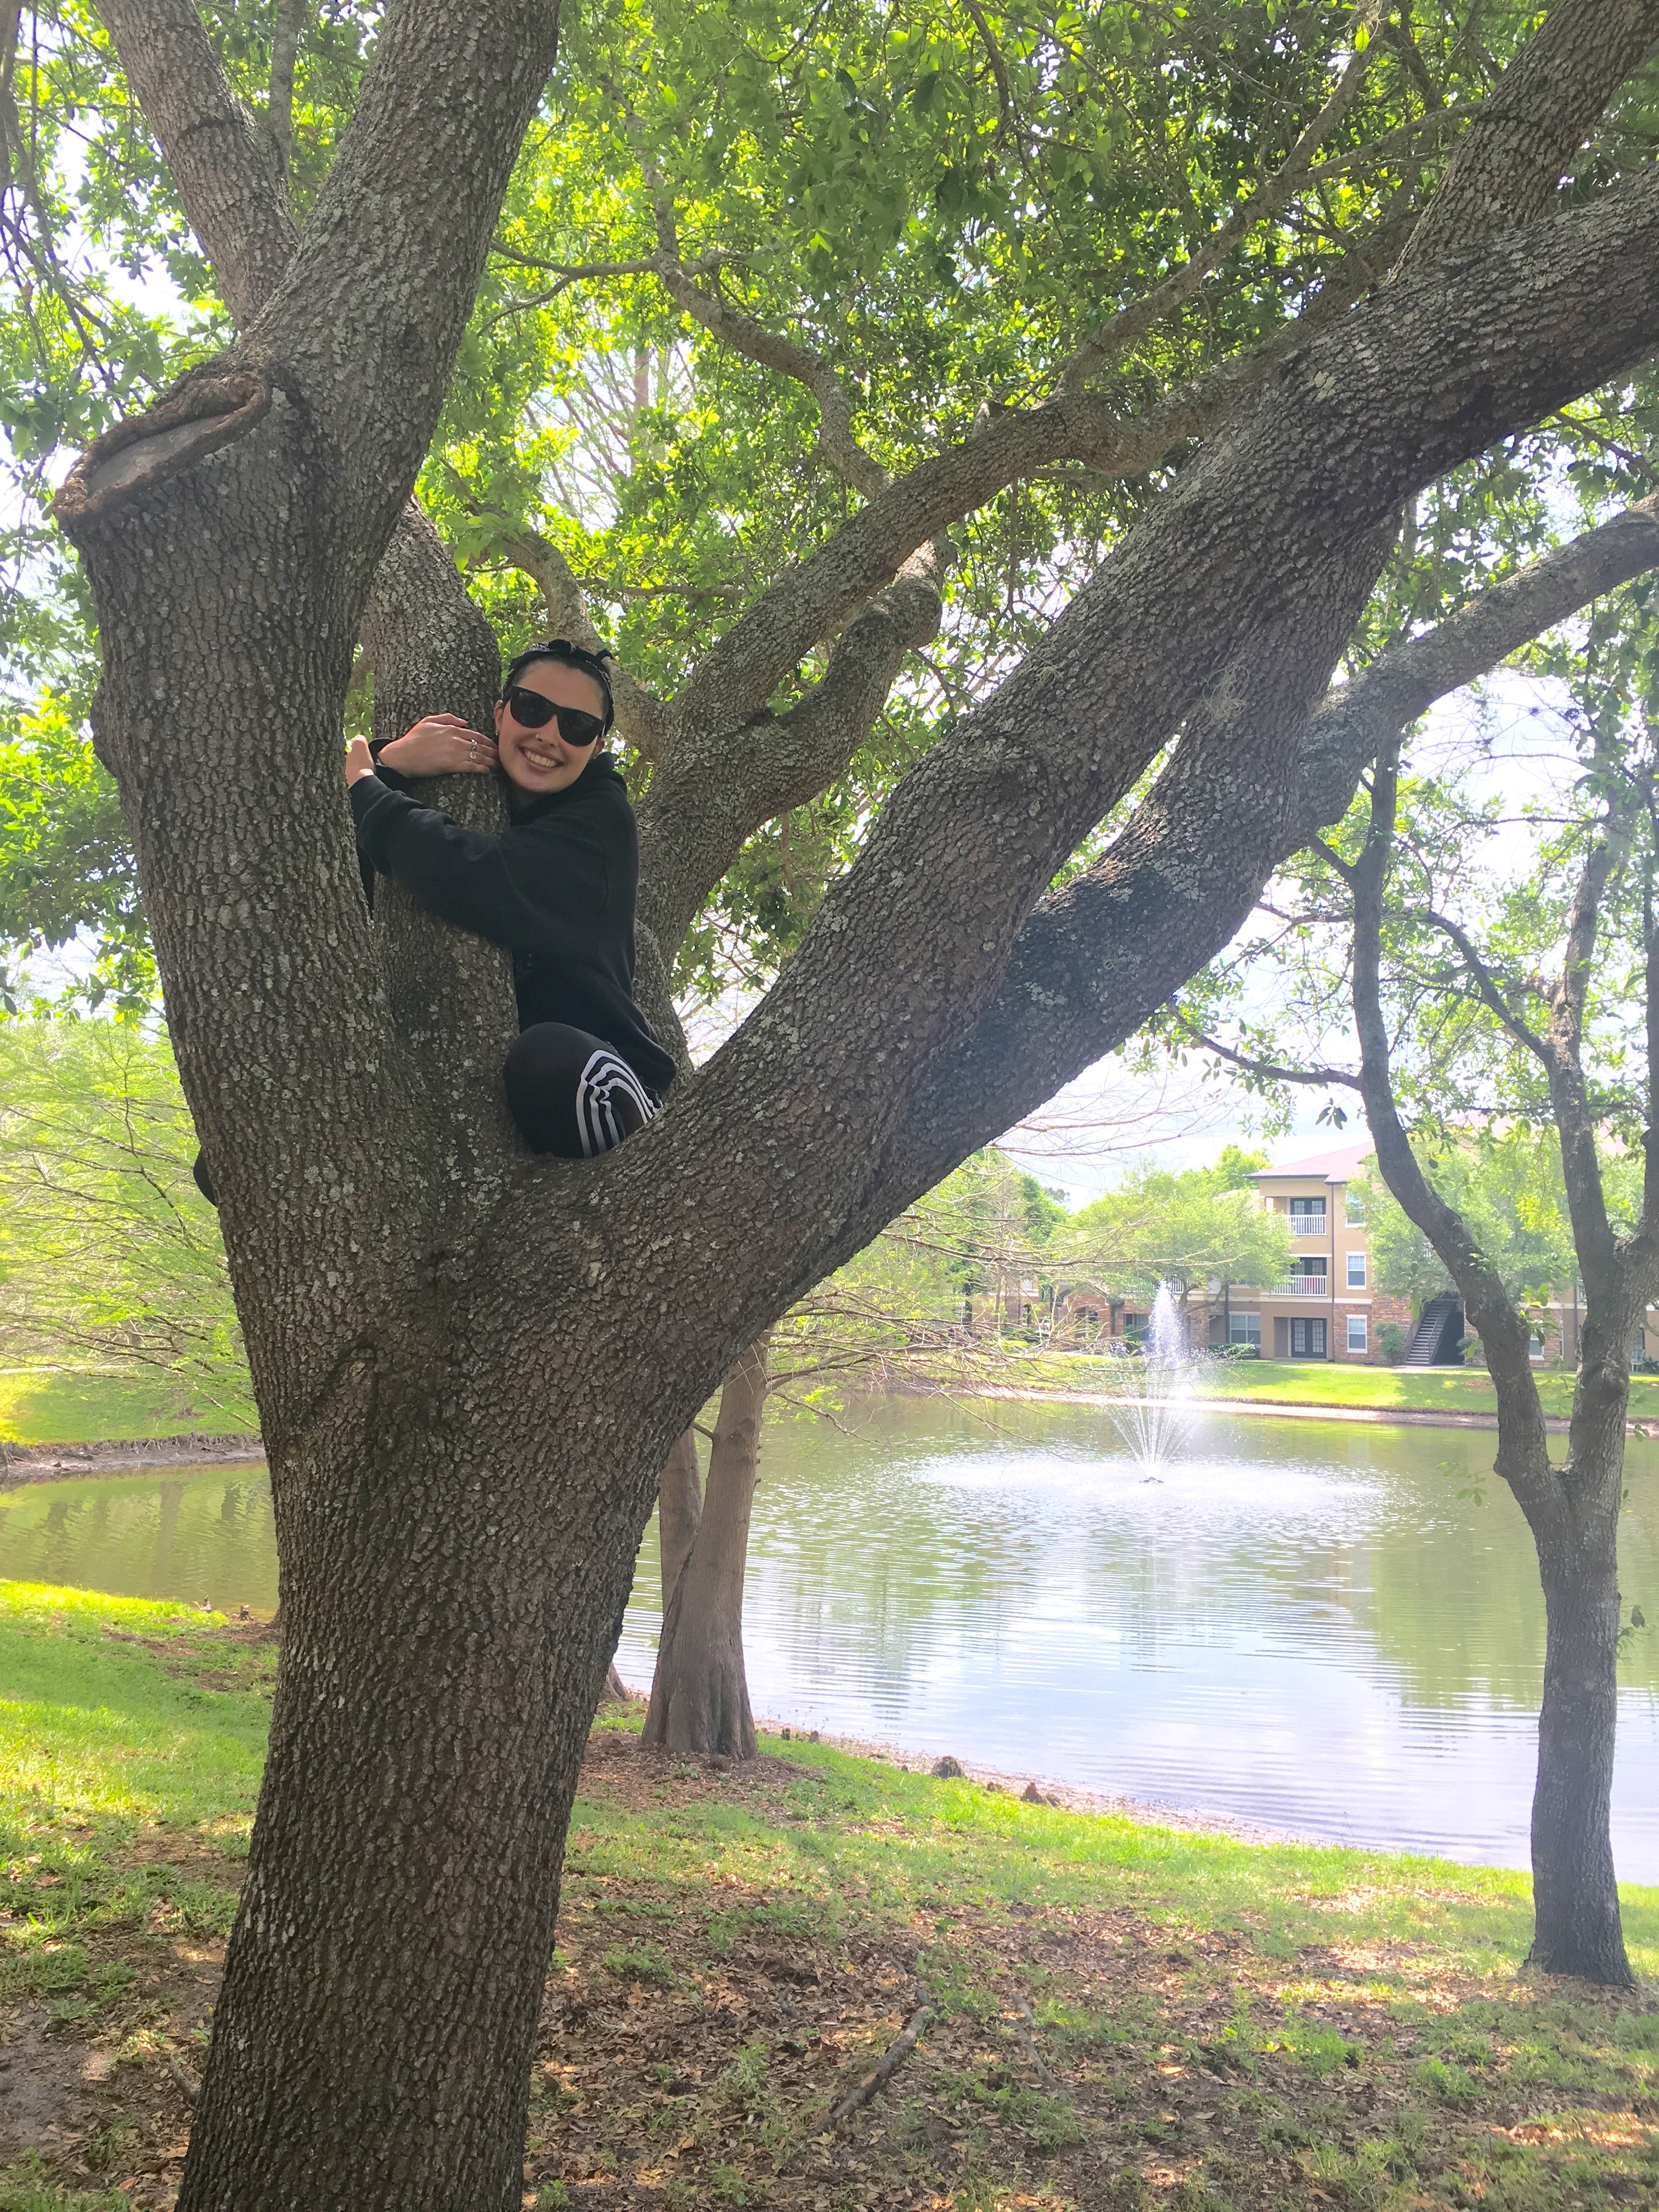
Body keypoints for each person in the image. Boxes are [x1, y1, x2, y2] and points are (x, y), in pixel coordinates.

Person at [345, 637, 676, 1158]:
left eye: (577, 726)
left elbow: (476, 878)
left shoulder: (601, 819)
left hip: (589, 1079)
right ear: (500, 712)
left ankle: (647, 1168)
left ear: (596, 746)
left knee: (550, 1057)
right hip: (474, 1098)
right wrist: (394, 765)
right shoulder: (496, 804)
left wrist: (367, 785)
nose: (548, 735)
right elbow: (349, 892)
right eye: (532, 708)